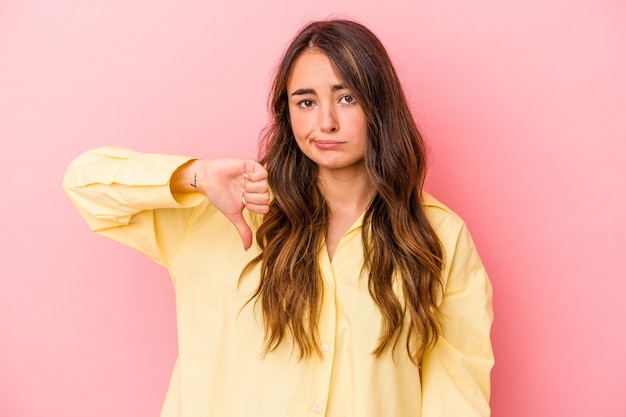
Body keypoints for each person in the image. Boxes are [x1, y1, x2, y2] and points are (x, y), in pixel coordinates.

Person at [64, 19, 493, 417]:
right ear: (287, 114)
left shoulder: (437, 236)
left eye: (347, 98)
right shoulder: (223, 212)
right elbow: (86, 185)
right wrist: (194, 175)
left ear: (380, 106)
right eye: (306, 102)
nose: (325, 122)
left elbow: (455, 397)